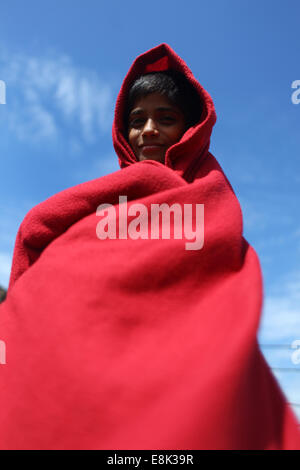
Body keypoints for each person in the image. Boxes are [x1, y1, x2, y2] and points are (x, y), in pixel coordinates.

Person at [0, 43, 299, 450]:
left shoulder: (209, 194)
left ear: (191, 129)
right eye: (137, 120)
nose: (148, 131)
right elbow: (38, 232)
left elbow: (216, 266)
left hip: (187, 368)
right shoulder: (101, 206)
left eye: (166, 118)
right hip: (83, 364)